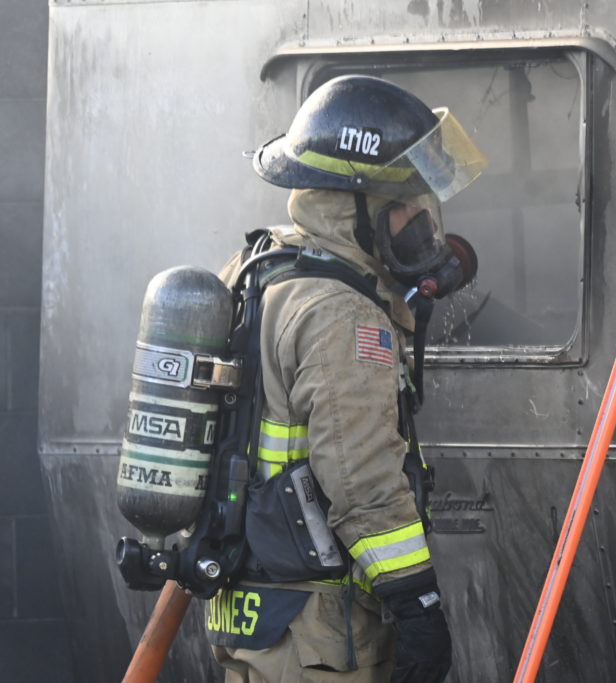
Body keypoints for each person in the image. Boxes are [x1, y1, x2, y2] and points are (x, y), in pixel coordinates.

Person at [205, 75, 486, 682]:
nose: (420, 221)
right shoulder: (342, 313)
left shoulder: (258, 269)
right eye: (404, 203)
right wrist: (418, 605)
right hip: (320, 631)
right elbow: (361, 479)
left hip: (257, 617)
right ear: (354, 206)